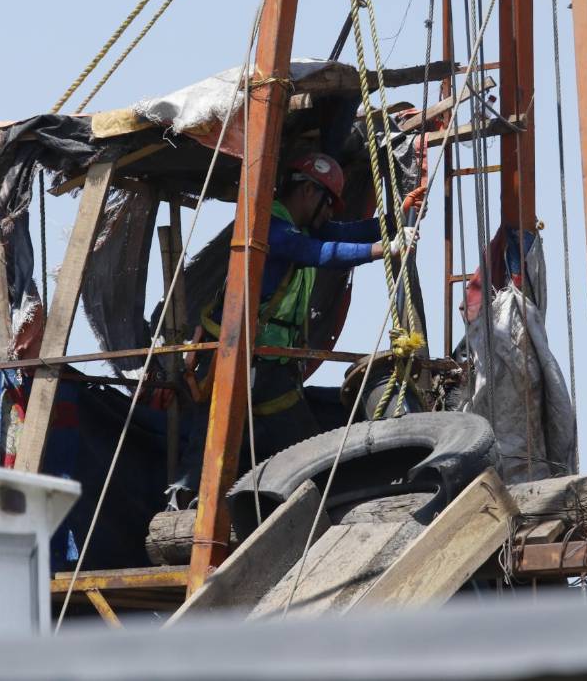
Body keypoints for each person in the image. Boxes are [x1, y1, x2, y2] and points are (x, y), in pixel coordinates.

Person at [170, 153, 423, 501]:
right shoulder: (270, 227)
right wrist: (384, 249)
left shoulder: (300, 225)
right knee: (222, 443)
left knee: (273, 444)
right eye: (328, 203)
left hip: (268, 365)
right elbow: (321, 252)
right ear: (308, 193)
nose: (331, 213)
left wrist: (397, 219)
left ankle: (219, 501)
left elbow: (344, 231)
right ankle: (186, 505)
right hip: (238, 361)